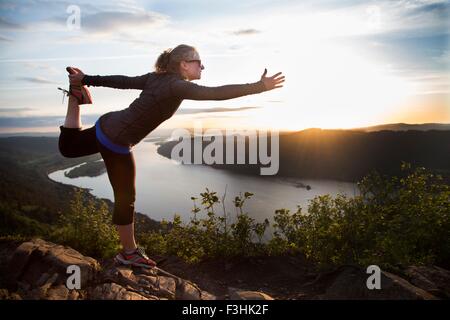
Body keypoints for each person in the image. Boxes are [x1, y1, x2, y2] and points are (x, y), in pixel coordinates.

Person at [58, 44, 285, 268]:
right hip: (117, 141)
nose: (203, 67)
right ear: (184, 65)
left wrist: (86, 79)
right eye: (199, 62)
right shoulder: (177, 85)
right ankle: (129, 253)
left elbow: (122, 81)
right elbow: (215, 94)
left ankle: (75, 96)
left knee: (68, 148)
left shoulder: (155, 78)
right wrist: (259, 86)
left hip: (107, 124)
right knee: (126, 198)